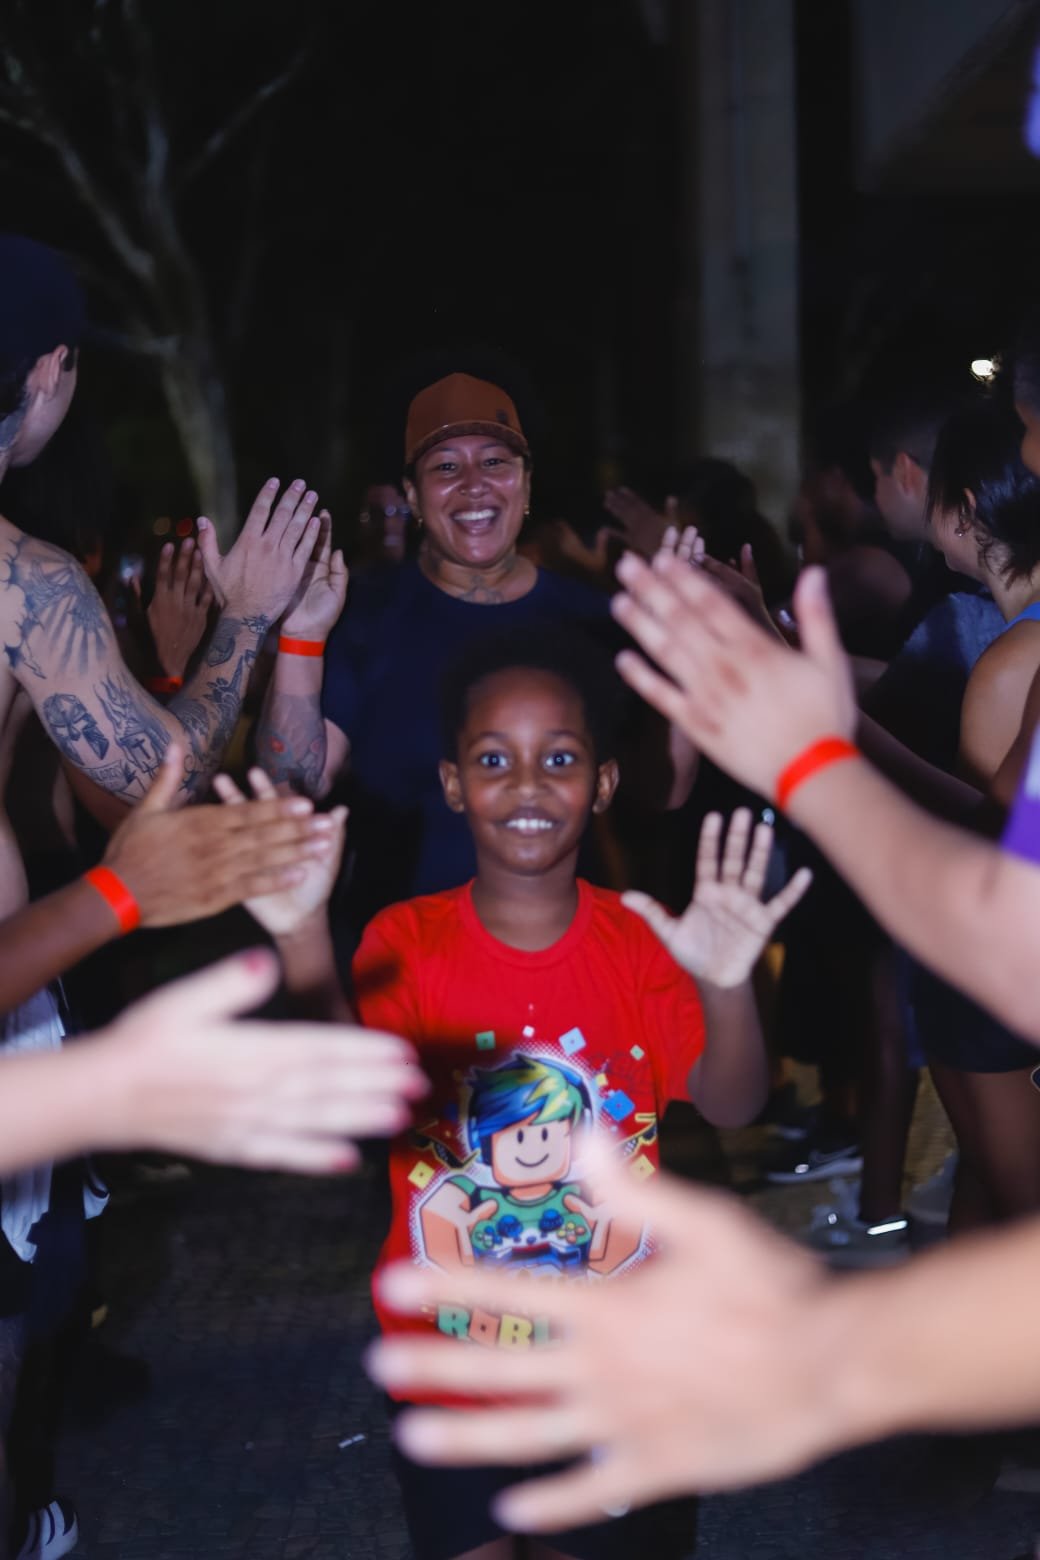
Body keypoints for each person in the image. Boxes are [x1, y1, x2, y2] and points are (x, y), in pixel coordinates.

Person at [257, 627, 807, 1560]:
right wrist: (302, 936)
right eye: (492, 759)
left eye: (558, 759)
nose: (525, 785)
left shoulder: (641, 945)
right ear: (452, 784)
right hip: (447, 1370)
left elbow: (733, 1103)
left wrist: (726, 985)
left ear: (603, 783)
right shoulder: (407, 941)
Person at [256, 369, 696, 937]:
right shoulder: (360, 616)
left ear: (526, 486)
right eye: (445, 467)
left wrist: (684, 649)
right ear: (412, 496)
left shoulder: (596, 621)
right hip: (396, 956)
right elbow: (295, 784)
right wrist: (300, 637)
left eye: (494, 462)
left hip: (559, 954)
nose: (473, 484)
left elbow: (663, 790)